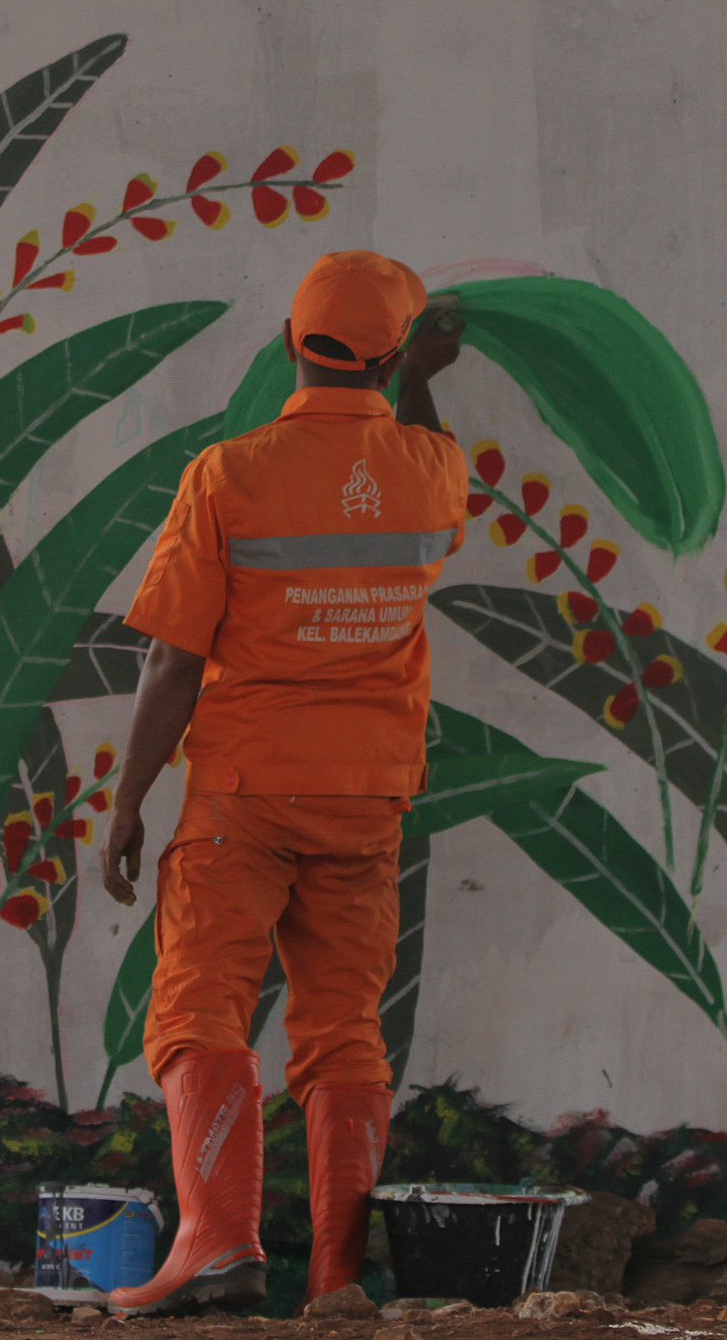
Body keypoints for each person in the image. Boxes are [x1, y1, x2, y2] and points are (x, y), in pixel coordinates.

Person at [100, 251, 467, 1315]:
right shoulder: (429, 472)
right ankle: (337, 1278)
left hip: (246, 794)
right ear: (395, 357)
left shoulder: (230, 475)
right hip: (368, 797)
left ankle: (218, 1243)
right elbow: (431, 462)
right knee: (344, 1027)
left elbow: (172, 658)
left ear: (285, 346)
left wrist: (127, 802)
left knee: (198, 1007)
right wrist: (426, 376)